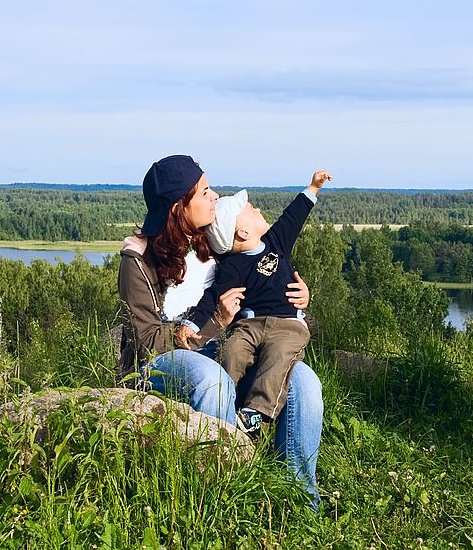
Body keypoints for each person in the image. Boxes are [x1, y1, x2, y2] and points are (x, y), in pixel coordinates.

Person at [117, 154, 323, 503]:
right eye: (205, 192)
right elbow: (147, 343)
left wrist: (299, 297)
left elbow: (262, 281)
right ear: (178, 207)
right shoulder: (137, 260)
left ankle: (298, 495)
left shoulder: (215, 242)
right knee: (211, 378)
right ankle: (225, 490)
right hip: (164, 363)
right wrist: (216, 323)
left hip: (229, 348)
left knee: (305, 382)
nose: (214, 197)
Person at [181, 170, 332, 437]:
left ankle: (256, 412)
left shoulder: (276, 243)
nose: (258, 208)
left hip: (287, 325)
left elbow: (292, 217)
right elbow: (212, 297)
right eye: (251, 209)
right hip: (250, 325)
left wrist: (313, 188)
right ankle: (226, 406)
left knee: (279, 356)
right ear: (242, 231)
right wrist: (191, 323)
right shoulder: (232, 267)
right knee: (233, 351)